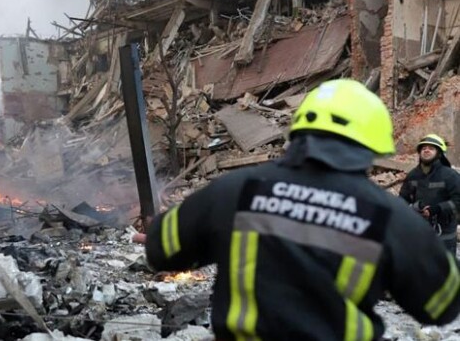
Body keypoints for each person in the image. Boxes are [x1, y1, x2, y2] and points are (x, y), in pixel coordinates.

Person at [145, 79, 460, 340]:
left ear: (298, 131)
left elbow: (162, 249)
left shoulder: (236, 190)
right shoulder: (389, 219)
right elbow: (443, 305)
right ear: (371, 145)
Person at [399, 134, 460, 254]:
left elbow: (458, 200)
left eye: (431, 148)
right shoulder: (413, 175)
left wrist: (437, 209)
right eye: (423, 148)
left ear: (439, 153)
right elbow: (403, 199)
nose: (426, 150)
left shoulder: (450, 175)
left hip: (444, 234)